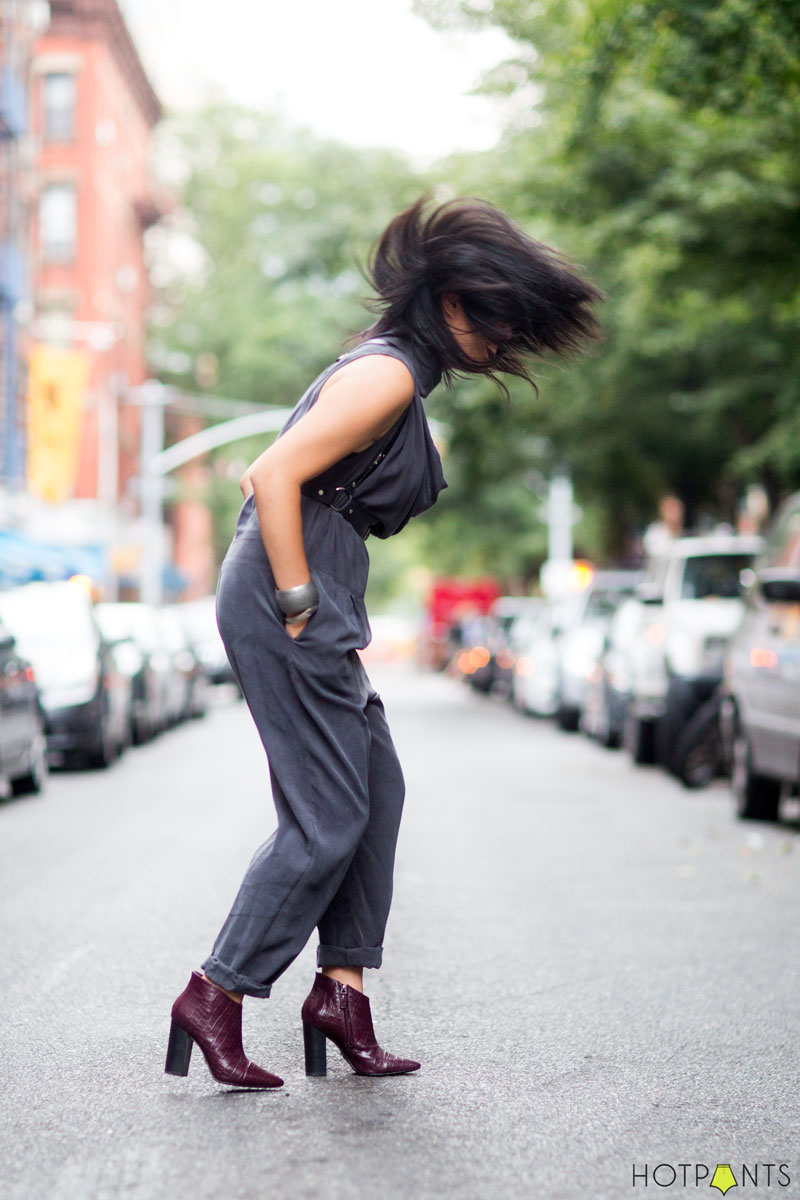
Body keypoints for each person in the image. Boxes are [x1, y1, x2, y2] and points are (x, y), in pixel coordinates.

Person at [165, 195, 603, 1089]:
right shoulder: (390, 373)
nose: (504, 335)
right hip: (292, 581)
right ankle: (216, 992)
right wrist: (297, 604)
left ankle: (341, 992)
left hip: (321, 578)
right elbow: (272, 473)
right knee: (325, 820)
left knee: (377, 788)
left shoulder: (402, 374)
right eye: (494, 314)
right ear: (447, 303)